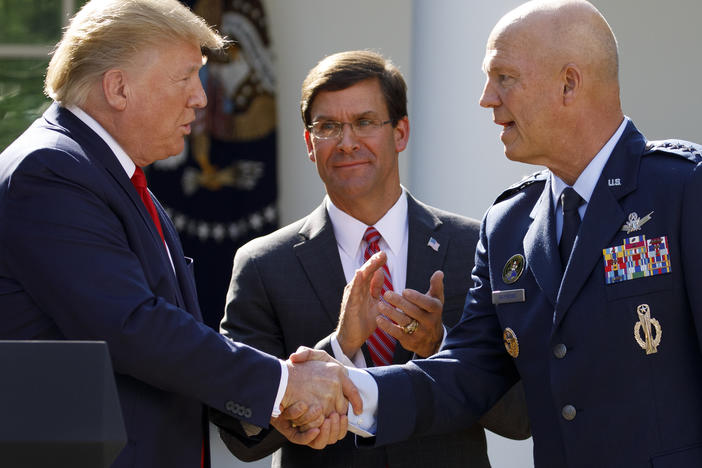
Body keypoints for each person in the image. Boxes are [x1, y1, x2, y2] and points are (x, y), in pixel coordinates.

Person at [290, 1, 702, 467]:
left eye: (504, 77)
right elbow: (468, 372)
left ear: (568, 83)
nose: (487, 98)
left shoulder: (683, 190)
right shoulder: (508, 223)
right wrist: (352, 386)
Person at [0, 1, 359, 467]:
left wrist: (274, 404)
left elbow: (160, 341)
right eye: (185, 77)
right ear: (118, 88)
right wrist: (283, 386)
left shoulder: (109, 176)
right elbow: (133, 327)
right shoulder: (49, 173)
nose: (202, 98)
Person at [212, 50, 530, 468]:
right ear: (309, 143)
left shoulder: (474, 247)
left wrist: (442, 345)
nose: (347, 143)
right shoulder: (262, 266)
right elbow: (244, 437)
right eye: (328, 127)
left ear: (400, 133)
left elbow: (523, 415)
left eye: (364, 122)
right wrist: (340, 348)